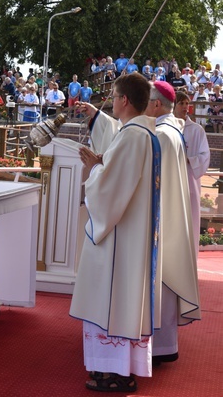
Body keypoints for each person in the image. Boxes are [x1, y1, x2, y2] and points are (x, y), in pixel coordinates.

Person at [70, 74, 161, 392]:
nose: (111, 101)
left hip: (119, 239)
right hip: (131, 234)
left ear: (124, 100)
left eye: (114, 97)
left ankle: (113, 372)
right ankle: (120, 368)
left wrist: (95, 168)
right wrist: (101, 165)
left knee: (110, 299)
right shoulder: (143, 134)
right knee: (123, 301)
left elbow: (111, 189)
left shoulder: (132, 136)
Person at [145, 82, 200, 366]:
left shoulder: (163, 135)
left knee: (160, 283)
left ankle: (159, 347)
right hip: (166, 215)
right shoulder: (170, 130)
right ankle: (162, 345)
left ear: (156, 104)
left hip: (159, 219)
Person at [174, 92, 211, 256]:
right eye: (181, 103)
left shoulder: (197, 130)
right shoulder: (167, 128)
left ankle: (190, 262)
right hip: (171, 184)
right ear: (173, 106)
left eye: (186, 103)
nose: (185, 107)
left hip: (190, 184)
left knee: (190, 224)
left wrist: (190, 160)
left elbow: (205, 156)